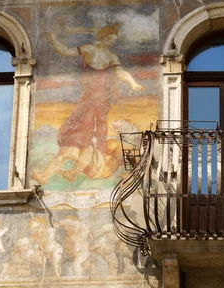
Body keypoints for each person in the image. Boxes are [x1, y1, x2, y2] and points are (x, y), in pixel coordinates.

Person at [31, 25, 144, 185]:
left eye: (114, 40)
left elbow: (120, 72)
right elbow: (65, 51)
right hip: (88, 98)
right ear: (103, 37)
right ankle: (72, 171)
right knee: (83, 132)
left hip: (101, 100)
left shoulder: (111, 56)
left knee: (90, 133)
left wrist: (132, 82)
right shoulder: (88, 49)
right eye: (110, 38)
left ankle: (71, 170)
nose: (111, 42)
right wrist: (53, 40)